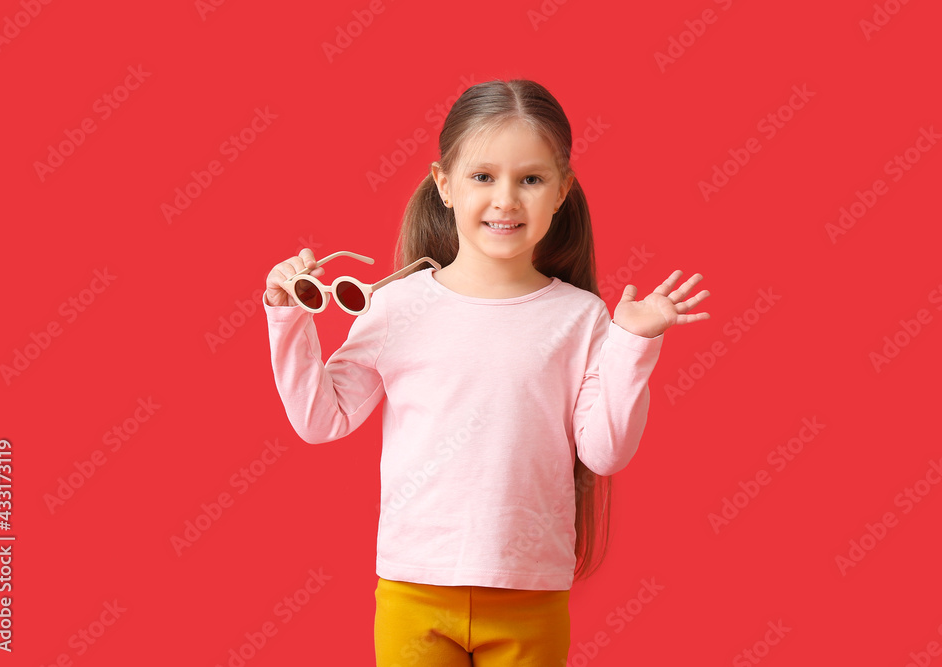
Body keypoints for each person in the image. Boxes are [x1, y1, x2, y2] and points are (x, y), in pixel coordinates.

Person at [262, 79, 710, 666]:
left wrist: (633, 342)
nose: (506, 199)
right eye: (482, 176)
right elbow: (324, 419)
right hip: (413, 589)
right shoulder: (396, 307)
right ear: (443, 184)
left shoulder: (583, 318)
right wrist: (288, 314)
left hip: (530, 594)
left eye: (530, 178)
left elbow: (605, 453)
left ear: (562, 190)